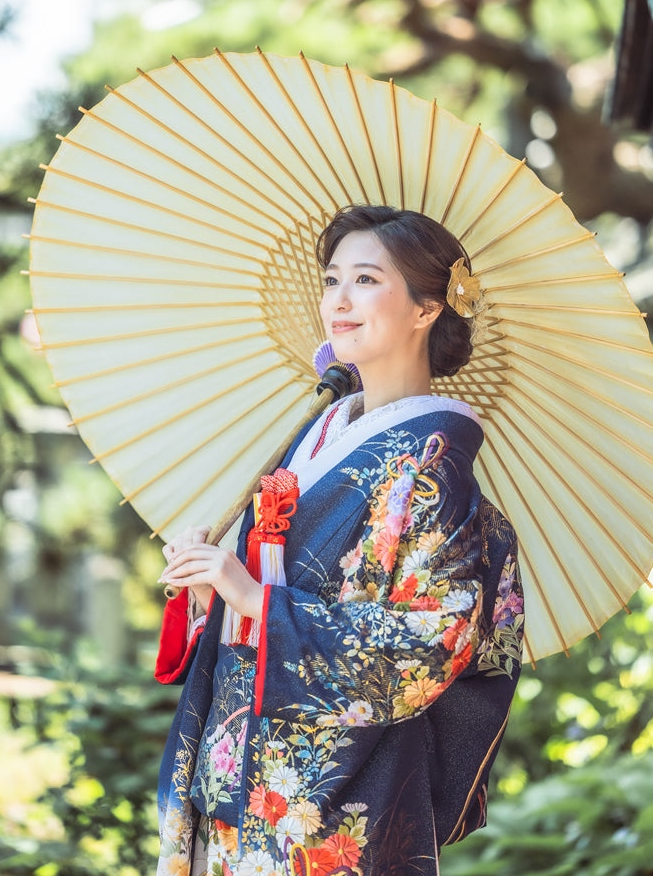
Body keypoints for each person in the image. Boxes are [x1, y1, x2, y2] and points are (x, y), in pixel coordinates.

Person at [154, 204, 525, 876]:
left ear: (424, 309)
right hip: (237, 773)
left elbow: (424, 648)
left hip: (330, 801)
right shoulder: (321, 430)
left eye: (364, 280)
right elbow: (272, 588)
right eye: (330, 281)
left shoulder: (430, 465)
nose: (338, 301)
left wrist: (251, 597)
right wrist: (217, 585)